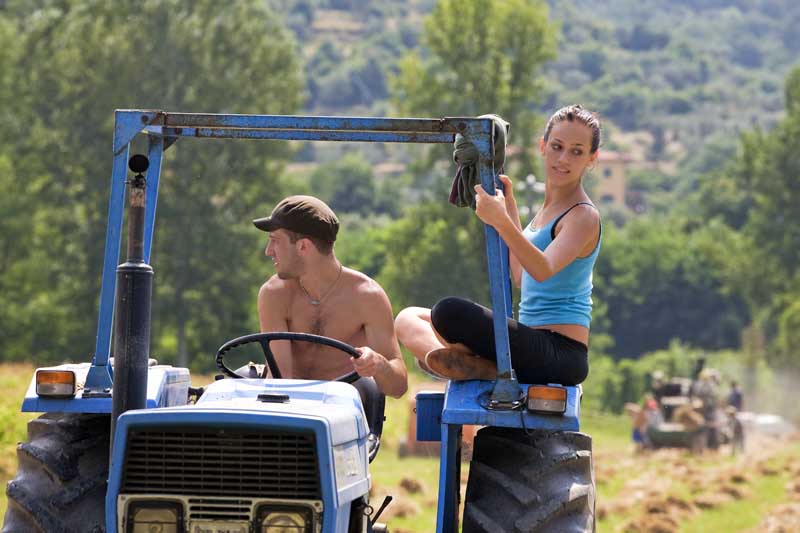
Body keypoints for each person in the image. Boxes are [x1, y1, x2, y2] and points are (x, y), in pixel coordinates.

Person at [395, 105, 602, 385]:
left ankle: (482, 366)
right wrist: (510, 206)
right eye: (557, 146)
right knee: (408, 318)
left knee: (448, 311)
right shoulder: (545, 213)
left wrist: (502, 220)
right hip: (529, 344)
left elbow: (542, 269)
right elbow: (521, 276)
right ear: (543, 146)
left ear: (592, 158)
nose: (563, 158)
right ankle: (462, 364)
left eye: (576, 151)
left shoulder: (583, 215)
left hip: (560, 353)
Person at [253, 195, 408, 399]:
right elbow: (280, 376)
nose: (268, 251)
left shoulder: (368, 297)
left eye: (275, 241)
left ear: (303, 246)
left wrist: (379, 365)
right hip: (288, 402)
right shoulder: (274, 294)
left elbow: (398, 387)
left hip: (342, 407)